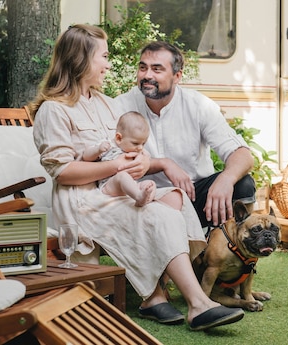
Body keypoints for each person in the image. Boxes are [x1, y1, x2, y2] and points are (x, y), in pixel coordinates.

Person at [29, 24, 244, 331]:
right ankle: (198, 304)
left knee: (174, 198)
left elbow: (127, 145)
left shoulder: (104, 103)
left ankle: (155, 295)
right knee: (161, 216)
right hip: (84, 200)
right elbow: (64, 173)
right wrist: (117, 167)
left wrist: (140, 159)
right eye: (103, 56)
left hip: (115, 190)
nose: (109, 63)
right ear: (81, 61)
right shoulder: (54, 110)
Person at [115, 41, 256, 228]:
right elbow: (112, 162)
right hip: (143, 199)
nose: (147, 75)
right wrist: (164, 164)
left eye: (157, 69)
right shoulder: (120, 106)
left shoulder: (198, 106)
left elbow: (242, 154)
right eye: (143, 68)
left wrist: (226, 179)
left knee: (243, 184)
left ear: (177, 76)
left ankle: (221, 245)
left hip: (193, 197)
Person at [82, 111, 156, 207]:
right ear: (119, 138)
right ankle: (139, 196)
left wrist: (145, 158)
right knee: (122, 176)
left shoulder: (137, 150)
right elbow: (86, 156)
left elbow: (147, 158)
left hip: (131, 186)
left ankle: (144, 198)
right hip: (109, 185)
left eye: (143, 143)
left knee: (151, 183)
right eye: (136, 143)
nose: (140, 147)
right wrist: (98, 150)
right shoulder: (108, 145)